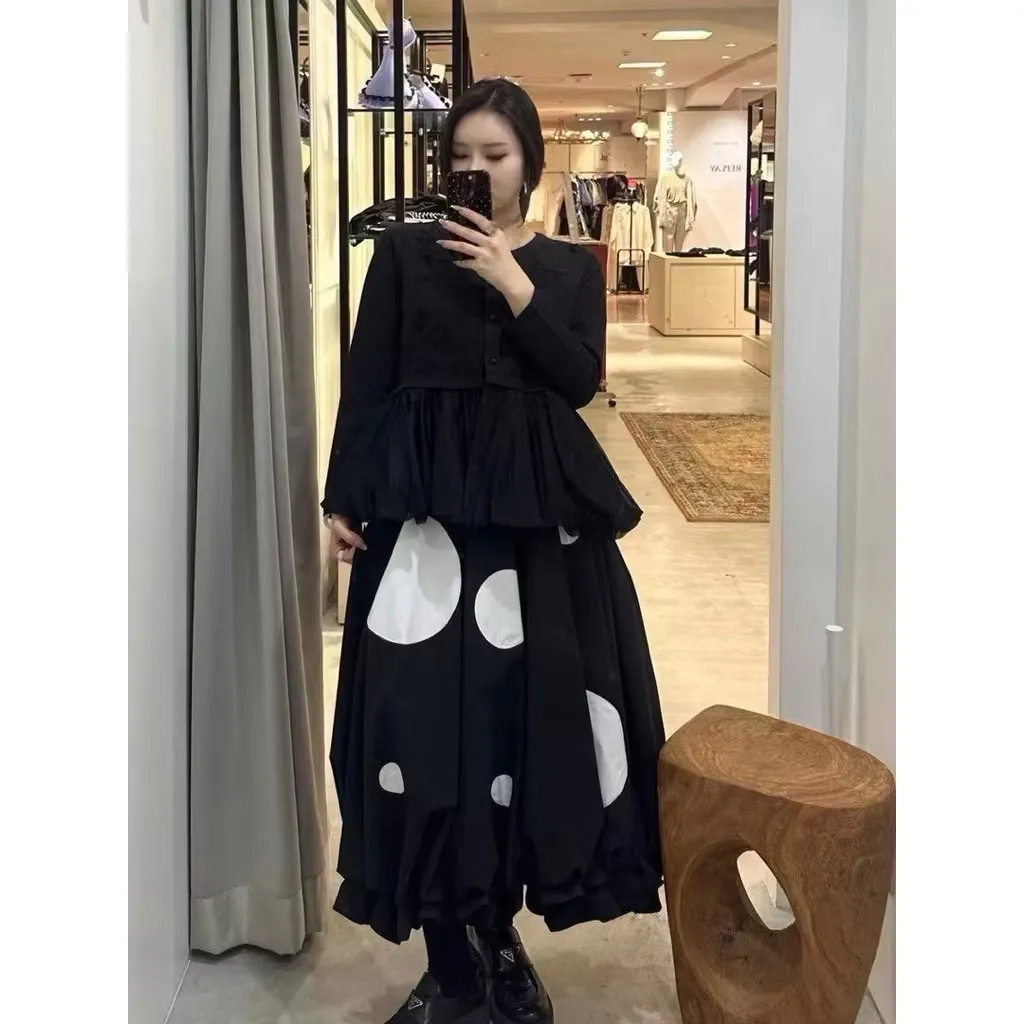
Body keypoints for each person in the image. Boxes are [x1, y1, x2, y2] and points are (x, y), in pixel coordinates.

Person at [322, 77, 665, 1024]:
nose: (476, 171)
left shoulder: (565, 269)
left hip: (533, 537)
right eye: (461, 156)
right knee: (420, 729)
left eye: (496, 156)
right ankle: (453, 961)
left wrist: (516, 286)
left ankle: (497, 939)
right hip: (423, 529)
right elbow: (368, 380)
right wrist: (343, 497)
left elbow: (578, 382)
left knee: (521, 727)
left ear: (530, 163)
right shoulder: (401, 256)